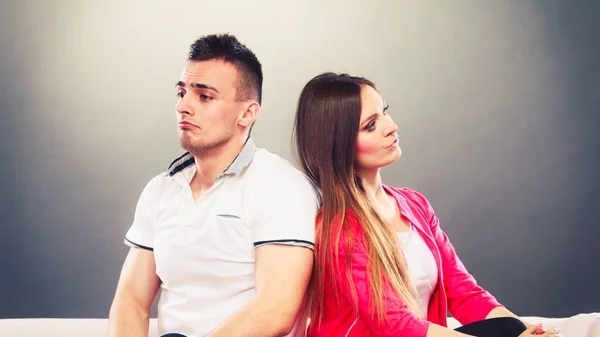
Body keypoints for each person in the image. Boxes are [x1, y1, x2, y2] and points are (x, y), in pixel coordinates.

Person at [292, 72, 561, 337]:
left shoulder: (414, 204)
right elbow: (396, 326)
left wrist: (528, 331)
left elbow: (464, 293)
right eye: (370, 125)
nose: (391, 126)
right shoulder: (338, 229)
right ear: (339, 145)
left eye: (385, 111)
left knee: (510, 328)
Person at [108, 34, 319, 337]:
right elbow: (131, 300)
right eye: (181, 93)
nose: (184, 106)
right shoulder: (161, 189)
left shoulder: (280, 185)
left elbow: (276, 309)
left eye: (204, 97)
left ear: (247, 113)